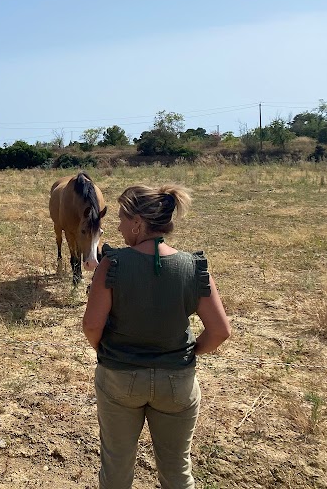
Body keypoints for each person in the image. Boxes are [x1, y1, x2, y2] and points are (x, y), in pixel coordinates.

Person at [82, 184, 231, 489]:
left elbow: (92, 326)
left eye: (123, 218)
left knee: (116, 468)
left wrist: (109, 351)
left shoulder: (113, 263)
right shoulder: (194, 267)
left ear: (138, 222)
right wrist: (189, 352)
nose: (120, 226)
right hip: (177, 382)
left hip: (119, 379)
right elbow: (220, 331)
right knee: (177, 471)